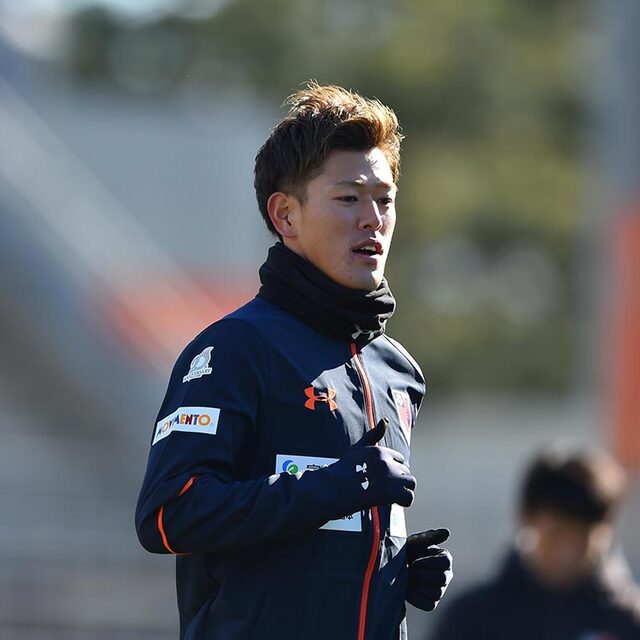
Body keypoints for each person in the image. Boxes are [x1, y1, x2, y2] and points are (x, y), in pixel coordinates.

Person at [135, 82, 453, 640]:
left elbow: (319, 532)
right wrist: (333, 487)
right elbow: (167, 514)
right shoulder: (235, 348)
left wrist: (389, 568)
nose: (372, 219)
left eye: (384, 199)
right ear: (286, 215)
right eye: (349, 198)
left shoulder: (398, 370)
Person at [429, 446, 640, 640]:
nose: (568, 551)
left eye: (583, 536)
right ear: (526, 518)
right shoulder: (471, 619)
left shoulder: (629, 621)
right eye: (557, 533)